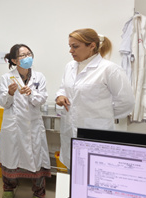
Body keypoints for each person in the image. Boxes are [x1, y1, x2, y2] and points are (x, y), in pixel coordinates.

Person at [56, 28, 135, 168]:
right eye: (70, 46)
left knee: (95, 170)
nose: (71, 51)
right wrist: (60, 95)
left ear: (92, 46)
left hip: (96, 131)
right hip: (70, 129)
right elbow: (64, 87)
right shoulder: (70, 67)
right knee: (73, 169)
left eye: (75, 46)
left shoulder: (109, 69)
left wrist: (102, 115)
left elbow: (126, 102)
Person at [0, 44, 51, 198]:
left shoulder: (39, 77)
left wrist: (31, 93)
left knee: (37, 157)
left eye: (29, 54)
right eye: (23, 55)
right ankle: (8, 188)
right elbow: (3, 102)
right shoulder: (7, 78)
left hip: (33, 124)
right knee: (11, 157)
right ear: (14, 60)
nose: (27, 57)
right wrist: (10, 93)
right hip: (14, 125)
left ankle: (39, 193)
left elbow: (42, 99)